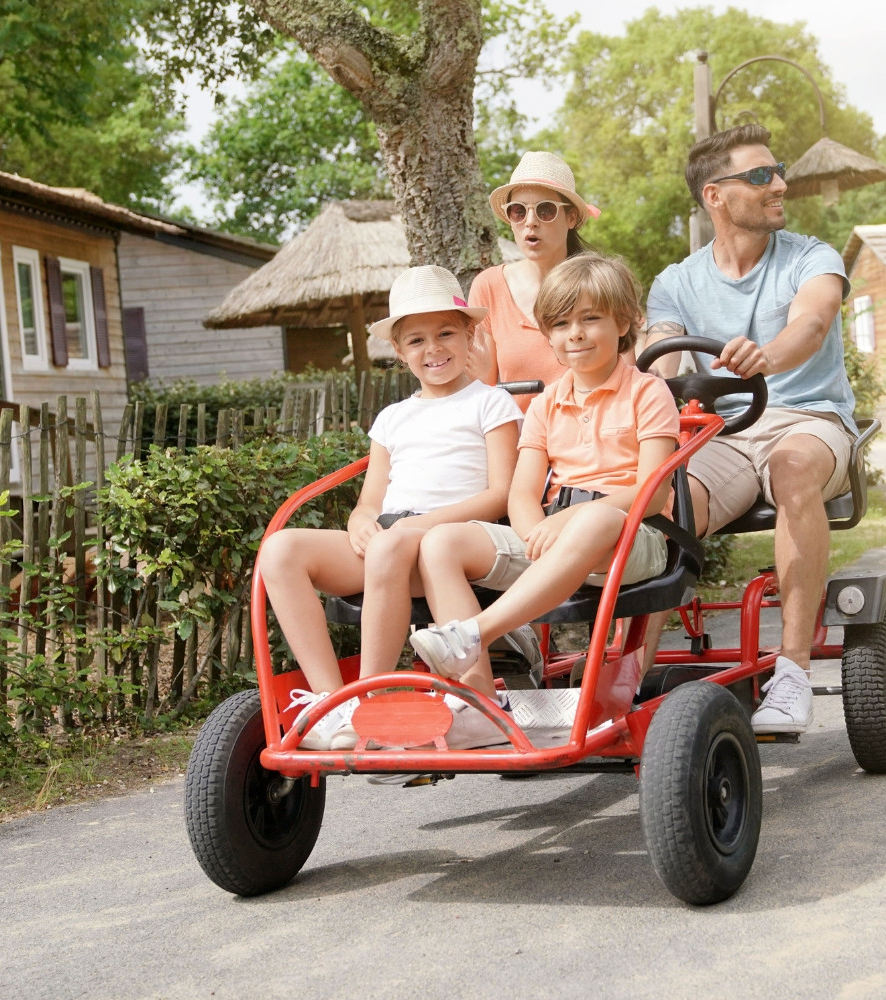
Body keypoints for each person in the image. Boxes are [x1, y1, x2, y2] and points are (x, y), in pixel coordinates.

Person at [642, 124, 859, 735]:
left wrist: (767, 356)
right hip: (728, 432)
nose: (780, 184)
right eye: (761, 176)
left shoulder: (812, 256)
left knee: (791, 470)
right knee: (667, 500)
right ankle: (627, 675)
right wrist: (655, 360)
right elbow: (659, 350)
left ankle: (790, 673)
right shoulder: (675, 282)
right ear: (716, 195)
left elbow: (812, 324)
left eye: (778, 170)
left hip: (809, 420)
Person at [409, 253, 679, 732]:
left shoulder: (648, 393)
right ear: (548, 334)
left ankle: (472, 634)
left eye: (590, 319)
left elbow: (652, 495)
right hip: (554, 538)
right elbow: (521, 493)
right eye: (560, 323)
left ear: (623, 323)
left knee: (595, 519)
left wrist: (566, 523)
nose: (574, 333)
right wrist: (536, 530)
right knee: (441, 541)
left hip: (632, 537)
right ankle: (481, 705)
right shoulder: (546, 403)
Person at [257, 265, 522, 750]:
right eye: (416, 340)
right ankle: (331, 702)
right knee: (280, 550)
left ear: (470, 336)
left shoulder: (491, 404)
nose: (434, 349)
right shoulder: (393, 418)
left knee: (393, 544)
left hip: (456, 542)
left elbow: (501, 493)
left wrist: (416, 527)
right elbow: (370, 501)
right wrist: (361, 523)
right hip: (390, 543)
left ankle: (372, 703)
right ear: (399, 352)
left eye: (446, 333)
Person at [467, 151, 598, 409]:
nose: (530, 222)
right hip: (517, 442)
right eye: (518, 211)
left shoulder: (598, 283)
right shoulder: (488, 287)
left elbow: (624, 374)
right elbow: (481, 389)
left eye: (545, 210)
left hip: (591, 439)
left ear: (571, 217)